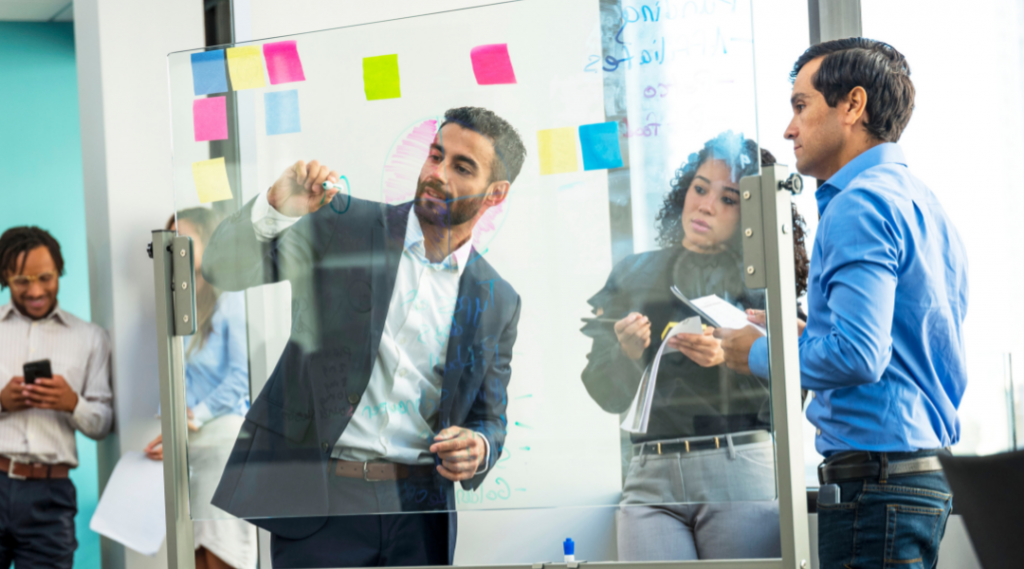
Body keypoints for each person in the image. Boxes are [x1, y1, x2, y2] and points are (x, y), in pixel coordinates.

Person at [203, 106, 526, 568]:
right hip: (323, 503)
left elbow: (490, 419)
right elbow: (221, 269)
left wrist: (480, 447)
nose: (437, 174)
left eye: (461, 166)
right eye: (436, 155)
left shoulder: (498, 299)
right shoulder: (343, 225)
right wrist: (276, 206)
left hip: (421, 512)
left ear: (496, 194)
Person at [714, 38, 967, 569]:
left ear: (852, 106)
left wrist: (757, 355)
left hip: (876, 490)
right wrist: (800, 336)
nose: (788, 129)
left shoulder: (859, 204)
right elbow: (897, 346)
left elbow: (858, 355)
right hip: (917, 479)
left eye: (800, 106)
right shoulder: (921, 201)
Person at [580, 132, 810, 561]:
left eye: (728, 199)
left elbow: (792, 397)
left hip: (739, 469)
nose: (704, 206)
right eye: (700, 188)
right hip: (648, 473)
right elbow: (603, 393)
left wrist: (735, 359)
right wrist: (628, 355)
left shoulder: (763, 282)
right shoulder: (634, 273)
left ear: (750, 215)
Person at [143, 209, 256, 569]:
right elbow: (179, 379)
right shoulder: (179, 308)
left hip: (222, 447)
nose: (177, 251)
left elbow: (243, 376)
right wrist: (172, 426)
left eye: (186, 241)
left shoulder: (232, 300)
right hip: (190, 449)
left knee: (223, 555)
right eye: (170, 243)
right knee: (195, 557)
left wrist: (196, 415)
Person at [0, 226, 113, 568]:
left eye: (45, 278)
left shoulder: (91, 338)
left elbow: (103, 423)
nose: (35, 291)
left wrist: (72, 403)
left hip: (51, 498)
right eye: (22, 281)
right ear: (5, 277)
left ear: (59, 272)